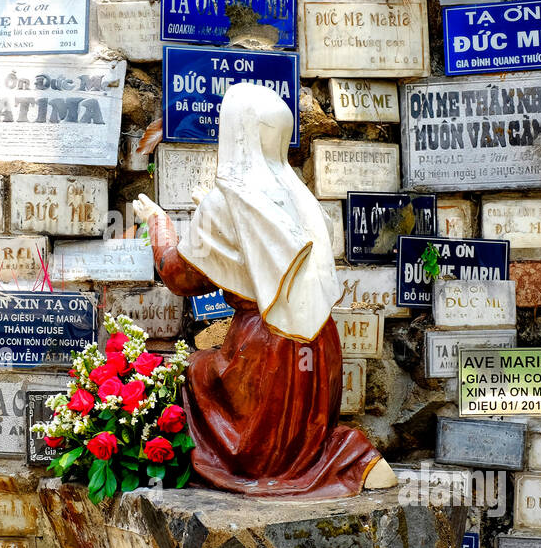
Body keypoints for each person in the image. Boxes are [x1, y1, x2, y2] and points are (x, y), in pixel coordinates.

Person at [132, 83, 397, 499]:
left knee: (197, 374)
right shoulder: (302, 197)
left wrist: (159, 226)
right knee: (306, 435)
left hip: (262, 347)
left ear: (234, 132)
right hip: (319, 344)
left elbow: (180, 277)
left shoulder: (225, 202)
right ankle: (346, 457)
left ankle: (260, 466)